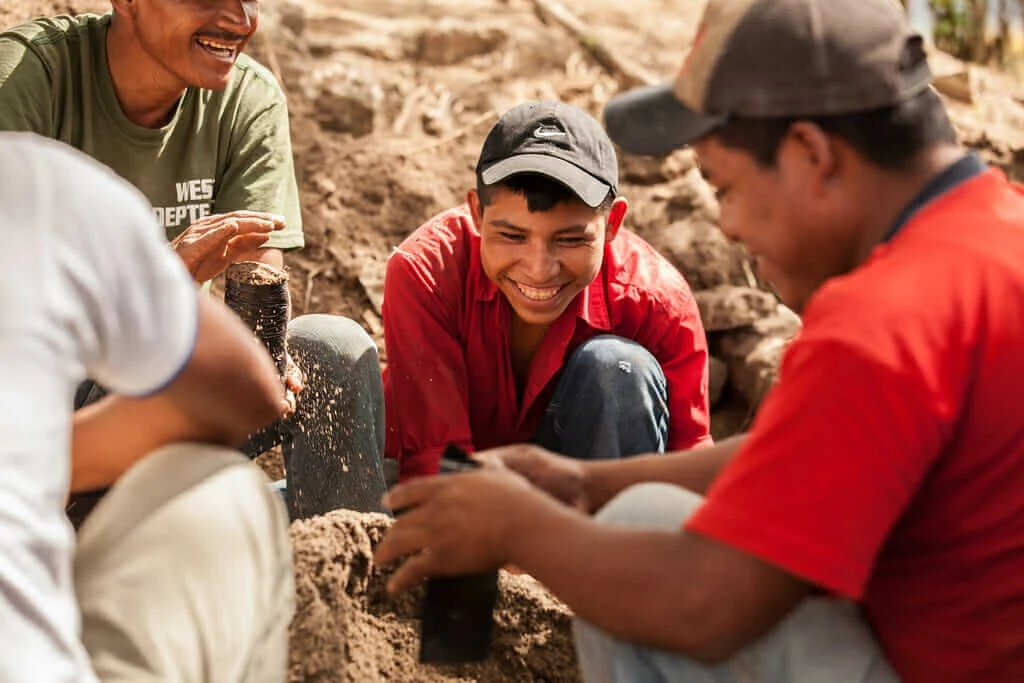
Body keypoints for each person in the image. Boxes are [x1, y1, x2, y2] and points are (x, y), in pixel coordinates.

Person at [373, 1, 1024, 681]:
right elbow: (800, 454)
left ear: (811, 155)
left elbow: (704, 605)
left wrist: (517, 526)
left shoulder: (881, 323)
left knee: (637, 545)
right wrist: (582, 481)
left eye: (726, 187)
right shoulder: (991, 239)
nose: (730, 226)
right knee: (642, 510)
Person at [0, 1, 386, 517]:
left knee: (331, 352)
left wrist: (266, 352)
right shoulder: (29, 80)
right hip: (48, 419)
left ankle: (335, 579)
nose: (239, 19)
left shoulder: (246, 97)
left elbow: (259, 286)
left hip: (166, 388)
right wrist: (160, 287)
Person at [0, 131, 294, 682]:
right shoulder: (36, 186)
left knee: (332, 345)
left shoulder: (249, 103)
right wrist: (37, 458)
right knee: (224, 488)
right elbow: (247, 386)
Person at [382, 100, 712, 481]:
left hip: (589, 519)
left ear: (613, 223)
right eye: (511, 236)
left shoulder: (658, 303)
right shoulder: (427, 272)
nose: (539, 269)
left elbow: (690, 466)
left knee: (619, 369)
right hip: (448, 497)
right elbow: (436, 459)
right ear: (477, 213)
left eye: (570, 240)